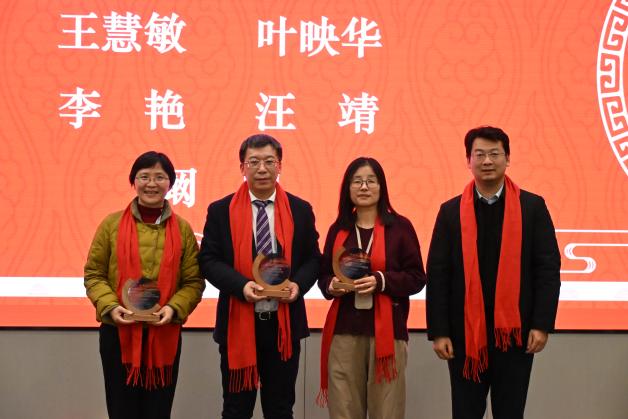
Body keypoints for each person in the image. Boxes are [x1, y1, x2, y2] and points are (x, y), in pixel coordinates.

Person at [426, 126, 561, 419]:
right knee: (465, 412)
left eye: (494, 154)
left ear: (507, 158)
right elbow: (438, 274)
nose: (487, 161)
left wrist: (541, 324)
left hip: (515, 335)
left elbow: (548, 269)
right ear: (469, 161)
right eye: (479, 154)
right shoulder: (450, 212)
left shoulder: (532, 207)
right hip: (463, 336)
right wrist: (439, 331)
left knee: (510, 412)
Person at [198, 133, 321, 419]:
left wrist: (298, 285)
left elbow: (314, 259)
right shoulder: (221, 210)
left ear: (280, 166)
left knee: (280, 409)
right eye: (254, 162)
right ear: (242, 167)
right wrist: (242, 286)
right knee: (236, 409)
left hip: (283, 326)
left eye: (269, 161)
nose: (262, 169)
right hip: (238, 322)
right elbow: (208, 260)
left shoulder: (300, 210)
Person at [84, 151, 205, 419]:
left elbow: (194, 282)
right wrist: (111, 307)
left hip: (163, 334)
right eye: (144, 177)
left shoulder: (183, 229)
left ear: (171, 183)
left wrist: (173, 309)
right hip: (119, 333)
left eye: (160, 177)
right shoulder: (111, 225)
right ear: (133, 181)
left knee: (158, 411)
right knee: (121, 410)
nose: (152, 183)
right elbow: (94, 274)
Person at [317, 157, 426, 419]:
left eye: (370, 181)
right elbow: (323, 275)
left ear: (381, 186)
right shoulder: (339, 229)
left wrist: (381, 281)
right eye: (357, 181)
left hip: (387, 334)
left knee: (386, 410)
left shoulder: (399, 228)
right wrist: (332, 285)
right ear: (348, 188)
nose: (364, 187)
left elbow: (416, 277)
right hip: (344, 332)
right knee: (343, 409)